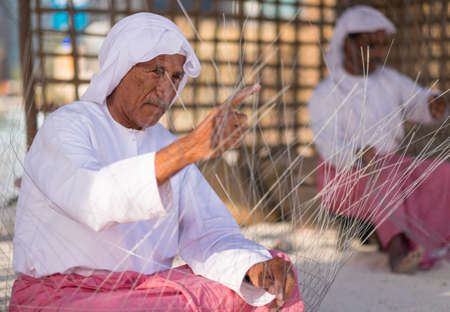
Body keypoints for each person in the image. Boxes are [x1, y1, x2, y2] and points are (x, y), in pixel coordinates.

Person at [10, 13, 304, 311]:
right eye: (155, 71)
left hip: (147, 293)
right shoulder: (68, 126)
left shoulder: (163, 142)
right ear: (120, 69)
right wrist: (188, 149)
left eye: (176, 77)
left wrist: (250, 266)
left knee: (267, 278)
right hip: (66, 296)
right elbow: (93, 199)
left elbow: (209, 232)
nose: (166, 89)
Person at [308, 6, 449, 273]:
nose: (379, 53)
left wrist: (432, 104)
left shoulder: (389, 80)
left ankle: (438, 242)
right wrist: (358, 155)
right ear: (347, 45)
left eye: (382, 45)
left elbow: (418, 100)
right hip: (343, 175)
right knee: (385, 173)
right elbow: (327, 146)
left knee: (443, 173)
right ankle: (397, 250)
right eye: (370, 45)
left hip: (390, 166)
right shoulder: (326, 92)